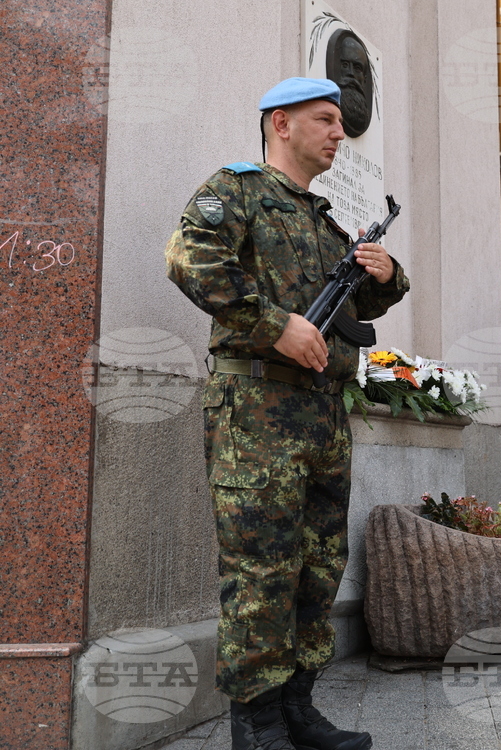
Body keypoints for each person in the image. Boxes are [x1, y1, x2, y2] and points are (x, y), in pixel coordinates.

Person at [165, 77, 409, 750]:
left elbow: (362, 306)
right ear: (281, 123)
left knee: (318, 566)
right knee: (261, 571)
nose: (339, 132)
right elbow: (189, 258)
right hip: (256, 407)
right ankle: (258, 723)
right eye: (325, 119)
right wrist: (275, 326)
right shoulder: (238, 190)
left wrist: (385, 274)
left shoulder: (323, 220)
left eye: (340, 121)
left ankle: (298, 708)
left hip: (323, 414)